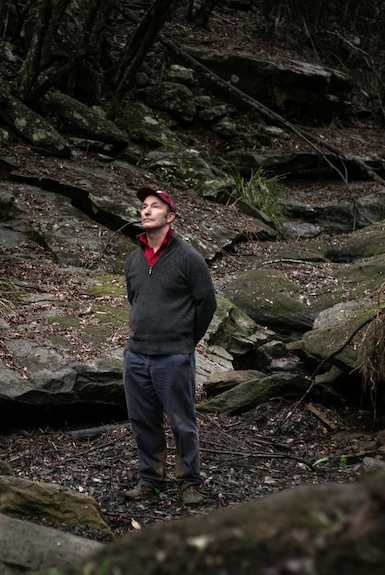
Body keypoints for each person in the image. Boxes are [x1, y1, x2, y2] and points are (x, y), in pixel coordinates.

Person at [122, 186, 217, 506]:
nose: (146, 211)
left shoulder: (189, 259)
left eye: (155, 207)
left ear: (170, 216)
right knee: (142, 420)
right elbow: (135, 298)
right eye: (144, 207)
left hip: (173, 356)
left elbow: (207, 303)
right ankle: (150, 478)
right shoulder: (134, 260)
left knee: (182, 422)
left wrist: (186, 340)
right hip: (136, 355)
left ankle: (189, 482)